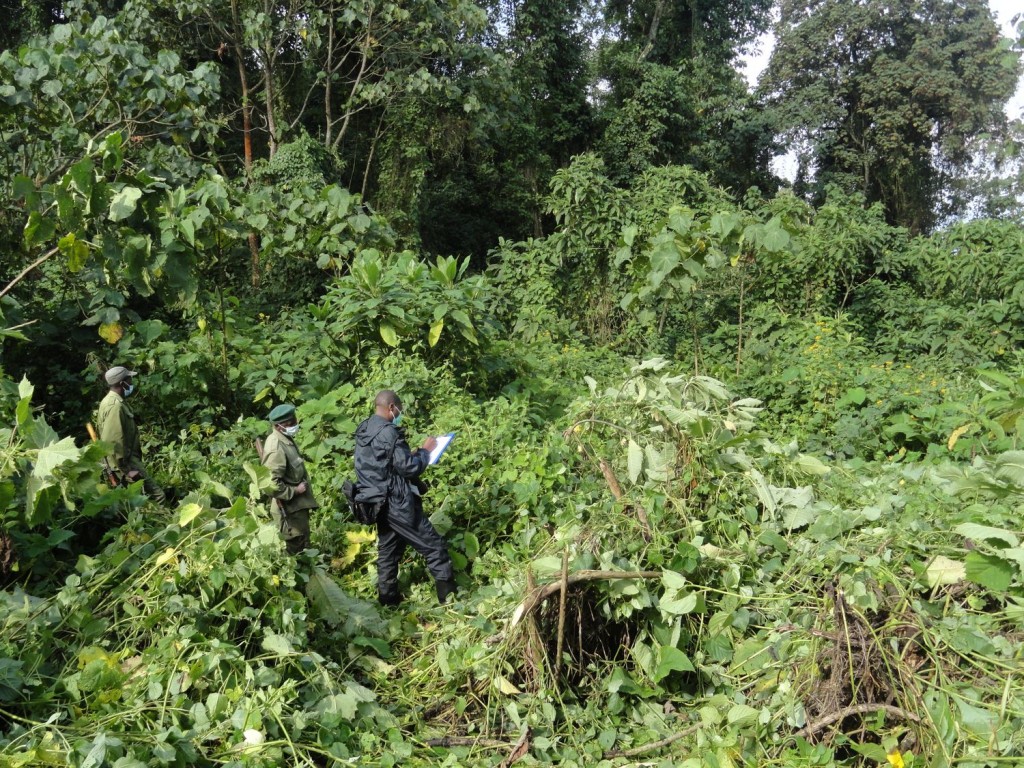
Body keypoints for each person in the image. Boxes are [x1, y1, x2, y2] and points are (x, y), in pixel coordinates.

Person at [354, 390, 456, 605]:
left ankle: (388, 602)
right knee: (434, 547)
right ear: (392, 407)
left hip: (375, 501)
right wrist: (426, 452)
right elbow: (409, 469)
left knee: (388, 552)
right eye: (399, 409)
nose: (400, 413)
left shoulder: (364, 428)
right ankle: (450, 600)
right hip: (397, 502)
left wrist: (410, 455)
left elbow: (380, 464)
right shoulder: (389, 432)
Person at [96, 365, 166, 503]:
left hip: (122, 462)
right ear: (123, 383)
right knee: (158, 496)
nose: (132, 382)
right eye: (130, 379)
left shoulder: (110, 401)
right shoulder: (114, 406)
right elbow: (113, 442)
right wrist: (126, 470)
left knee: (134, 500)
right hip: (125, 463)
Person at [261, 404, 317, 555]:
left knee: (304, 546)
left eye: (294, 421)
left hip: (296, 509)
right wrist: (295, 491)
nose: (295, 425)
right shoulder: (276, 446)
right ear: (279, 427)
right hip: (288, 509)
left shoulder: (285, 438)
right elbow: (271, 484)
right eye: (290, 424)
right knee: (297, 550)